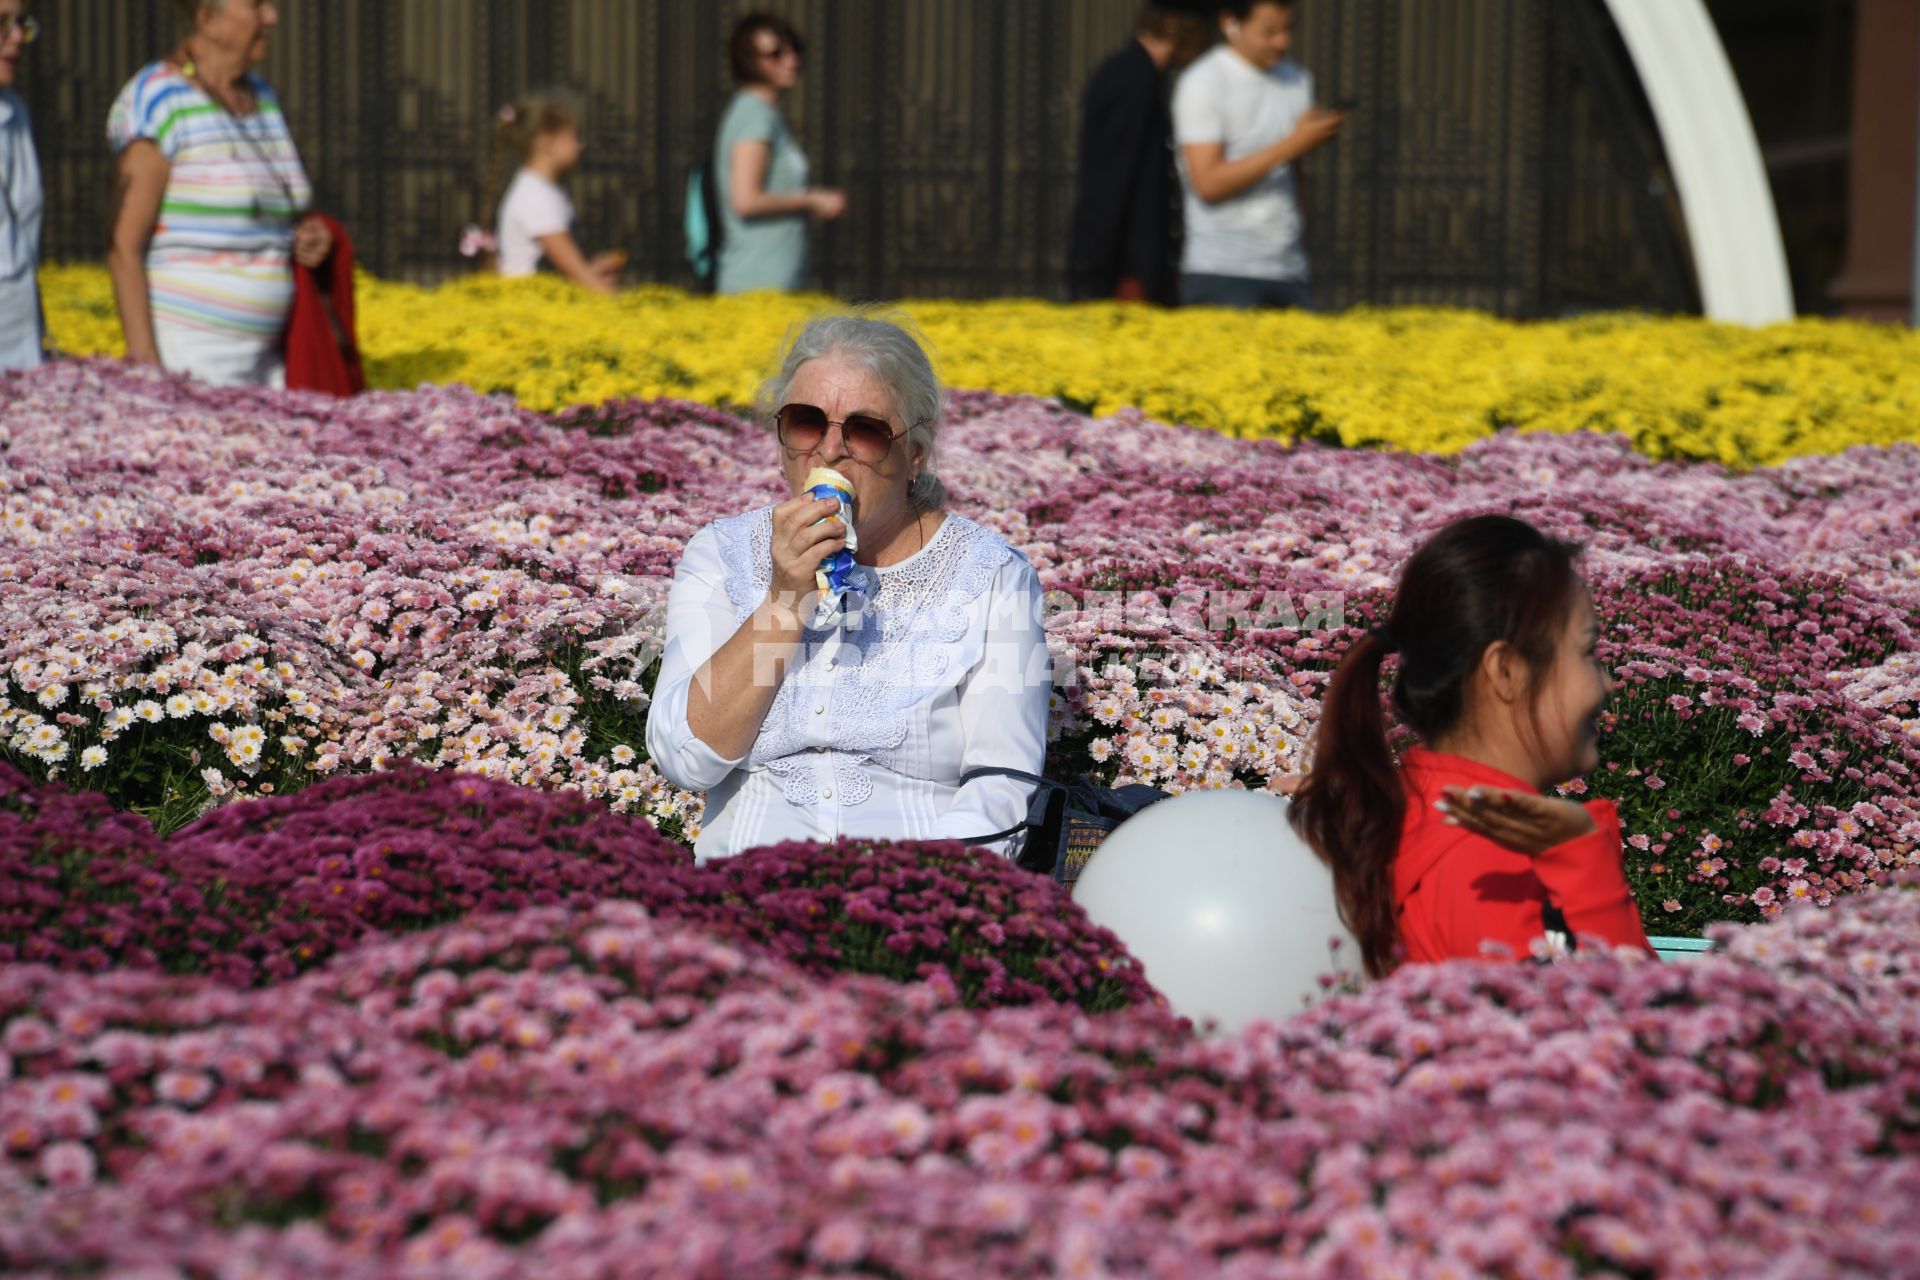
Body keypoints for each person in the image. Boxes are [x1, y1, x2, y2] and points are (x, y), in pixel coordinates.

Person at [647, 313, 1049, 862]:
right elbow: (686, 759)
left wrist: (909, 903)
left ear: (914, 457)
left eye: (865, 430)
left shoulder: (993, 575)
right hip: (743, 891)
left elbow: (1000, 788)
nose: (830, 451)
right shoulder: (721, 554)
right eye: (807, 422)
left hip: (910, 902)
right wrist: (785, 600)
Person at [1288, 514, 1654, 976]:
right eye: (1586, 652)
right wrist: (1587, 869)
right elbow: (1625, 1033)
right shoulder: (1490, 859)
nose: (1607, 683)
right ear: (1506, 671)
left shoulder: (1415, 810)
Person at [106, 0, 331, 388]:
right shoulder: (159, 98)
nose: (272, 16)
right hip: (189, 362)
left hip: (268, 365)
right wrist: (149, 374)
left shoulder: (260, 95)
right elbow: (123, 247)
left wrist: (309, 235)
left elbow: (271, 211)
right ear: (207, 18)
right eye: (256, 5)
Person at [1172, 0, 1344, 309]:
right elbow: (1208, 183)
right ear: (1230, 23)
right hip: (1222, 272)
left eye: (1288, 30)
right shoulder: (1203, 82)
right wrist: (1293, 144)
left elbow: (1296, 173)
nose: (1283, 42)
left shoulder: (1297, 80)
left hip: (1289, 269)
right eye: (1269, 32)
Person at [1068, 5, 1211, 305]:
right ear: (1173, 25)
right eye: (1200, 26)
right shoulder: (1133, 80)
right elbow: (1111, 182)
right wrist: (1097, 270)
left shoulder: (1143, 76)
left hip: (1133, 263)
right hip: (1126, 270)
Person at [713, 12, 845, 295]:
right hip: (757, 281)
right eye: (775, 54)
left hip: (773, 279)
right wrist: (812, 199)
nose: (791, 61)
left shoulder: (764, 114)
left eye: (794, 49)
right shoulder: (754, 114)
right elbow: (746, 200)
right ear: (748, 60)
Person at [487, 92, 623, 294]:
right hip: (530, 309)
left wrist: (593, 270)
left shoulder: (540, 191)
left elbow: (563, 272)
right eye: (574, 137)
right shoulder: (536, 197)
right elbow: (575, 272)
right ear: (546, 142)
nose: (580, 145)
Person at [0, 0, 42, 373]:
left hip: (20, 356)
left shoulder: (14, 113)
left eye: (22, 24)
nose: (16, 37)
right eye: (1, 23)